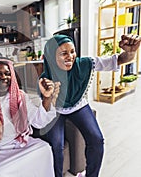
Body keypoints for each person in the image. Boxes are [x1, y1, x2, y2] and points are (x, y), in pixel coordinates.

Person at [36, 34, 141, 177]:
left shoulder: (85, 64)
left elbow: (119, 60)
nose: (70, 57)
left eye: (72, 51)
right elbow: (45, 110)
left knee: (97, 140)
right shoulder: (45, 79)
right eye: (64, 53)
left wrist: (130, 52)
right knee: (56, 145)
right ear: (51, 57)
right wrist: (50, 96)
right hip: (55, 111)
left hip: (79, 105)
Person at [0, 58, 60, 177]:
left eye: (7, 73)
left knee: (44, 148)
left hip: (19, 142)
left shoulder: (20, 96)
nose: (4, 77)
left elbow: (38, 122)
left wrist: (47, 98)